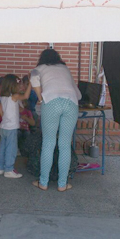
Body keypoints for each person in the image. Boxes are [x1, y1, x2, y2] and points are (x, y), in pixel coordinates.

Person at [30, 49, 81, 192]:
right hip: (71, 102)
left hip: (51, 102)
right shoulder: (64, 68)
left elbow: (33, 79)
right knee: (64, 144)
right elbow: (77, 92)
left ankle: (43, 182)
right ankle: (62, 184)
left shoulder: (38, 69)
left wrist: (40, 98)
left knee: (48, 143)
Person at [0, 74, 31, 178]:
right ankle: (9, 169)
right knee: (11, 149)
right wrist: (30, 84)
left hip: (3, 126)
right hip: (11, 127)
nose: (19, 87)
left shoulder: (2, 97)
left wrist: (6, 119)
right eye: (18, 84)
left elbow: (0, 111)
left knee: (2, 147)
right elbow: (26, 96)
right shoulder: (15, 96)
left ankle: (1, 167)